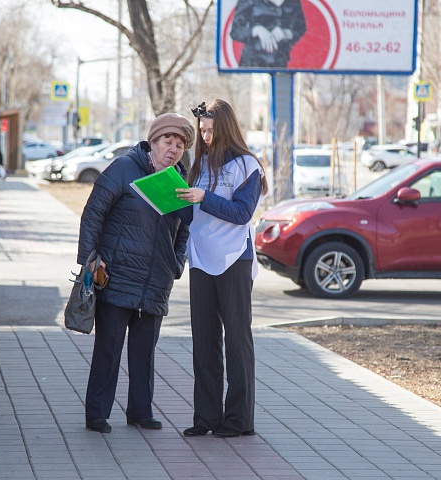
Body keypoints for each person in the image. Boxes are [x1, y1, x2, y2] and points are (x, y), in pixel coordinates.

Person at [78, 113, 194, 434]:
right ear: (152, 143)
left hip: (156, 282)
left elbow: (186, 227)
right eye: (167, 142)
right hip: (117, 275)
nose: (173, 149)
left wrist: (176, 263)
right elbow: (93, 215)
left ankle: (140, 411)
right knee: (109, 348)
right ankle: (97, 414)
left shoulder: (179, 183)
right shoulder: (124, 169)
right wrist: (90, 260)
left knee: (144, 352)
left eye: (180, 144)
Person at [176, 99, 268, 438]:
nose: (207, 136)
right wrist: (171, 201)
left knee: (237, 341)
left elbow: (242, 213)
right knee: (204, 341)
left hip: (234, 260)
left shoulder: (248, 166)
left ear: (227, 128)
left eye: (212, 131)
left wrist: (203, 197)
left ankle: (239, 421)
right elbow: (191, 214)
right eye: (202, 131)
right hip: (200, 258)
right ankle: (206, 418)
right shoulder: (198, 165)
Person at [230, 0, 307, 68]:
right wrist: (256, 30)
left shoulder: (293, 2)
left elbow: (301, 28)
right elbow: (235, 31)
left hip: (279, 62)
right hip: (252, 63)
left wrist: (287, 33)